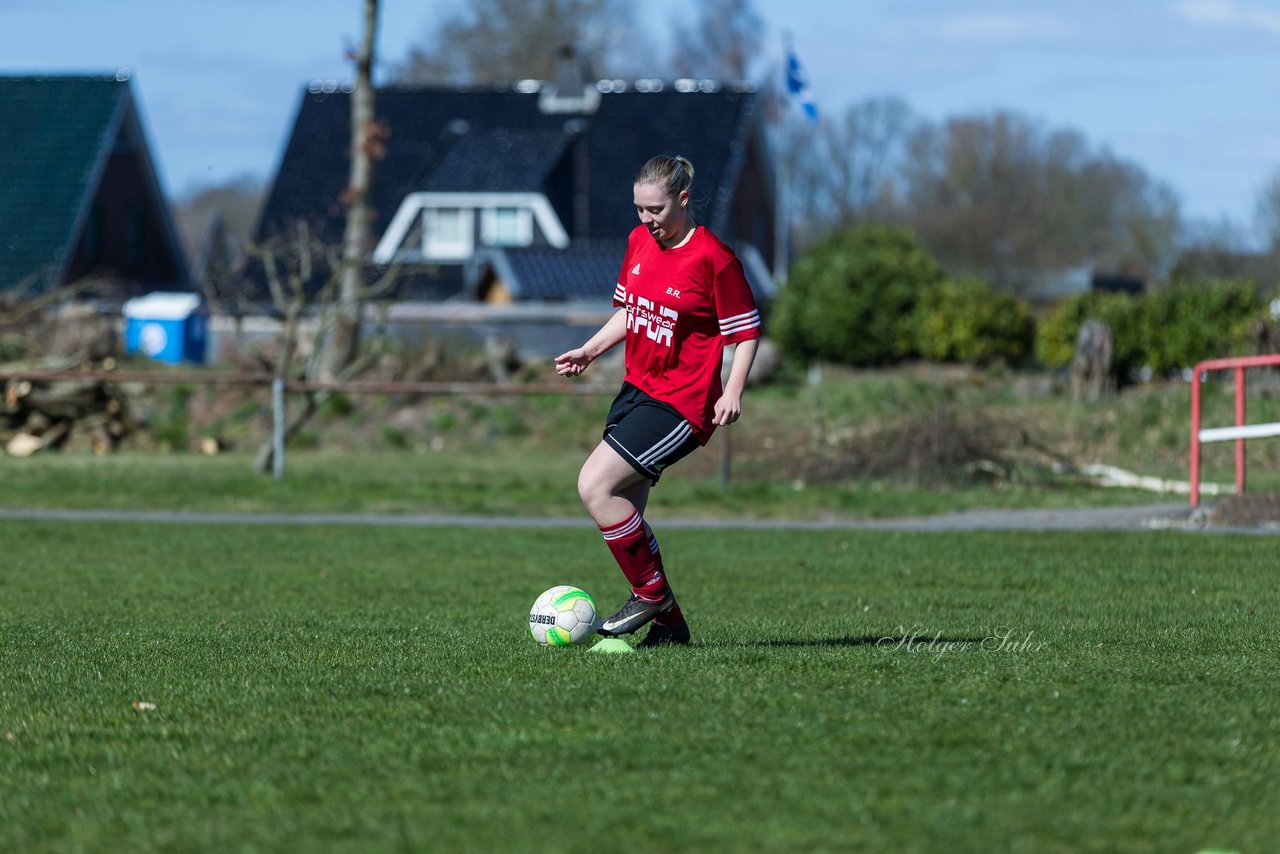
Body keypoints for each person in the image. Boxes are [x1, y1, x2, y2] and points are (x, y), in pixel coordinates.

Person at [554, 154, 762, 647]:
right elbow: (631, 312)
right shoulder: (638, 243)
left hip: (681, 404)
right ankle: (670, 626)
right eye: (639, 209)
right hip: (636, 392)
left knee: (594, 486)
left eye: (656, 210)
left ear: (682, 200)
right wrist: (589, 350)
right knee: (623, 504)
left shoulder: (714, 257)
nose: (647, 221)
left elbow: (746, 331)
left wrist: (732, 392)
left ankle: (649, 595)